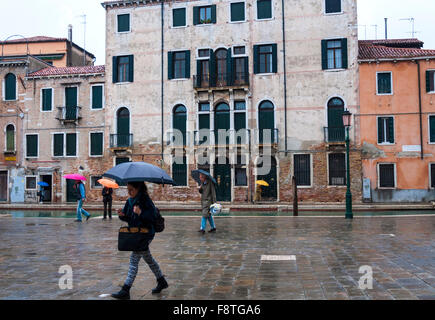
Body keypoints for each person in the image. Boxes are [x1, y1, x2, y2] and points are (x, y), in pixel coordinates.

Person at [111, 181, 168, 300]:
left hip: (146, 233)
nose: (129, 192)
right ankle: (161, 281)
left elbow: (152, 217)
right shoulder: (129, 201)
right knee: (148, 259)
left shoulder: (146, 200)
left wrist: (140, 212)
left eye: (131, 190)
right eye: (128, 190)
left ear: (138, 189)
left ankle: (125, 290)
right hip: (136, 233)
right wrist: (121, 214)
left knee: (134, 260)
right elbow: (128, 217)